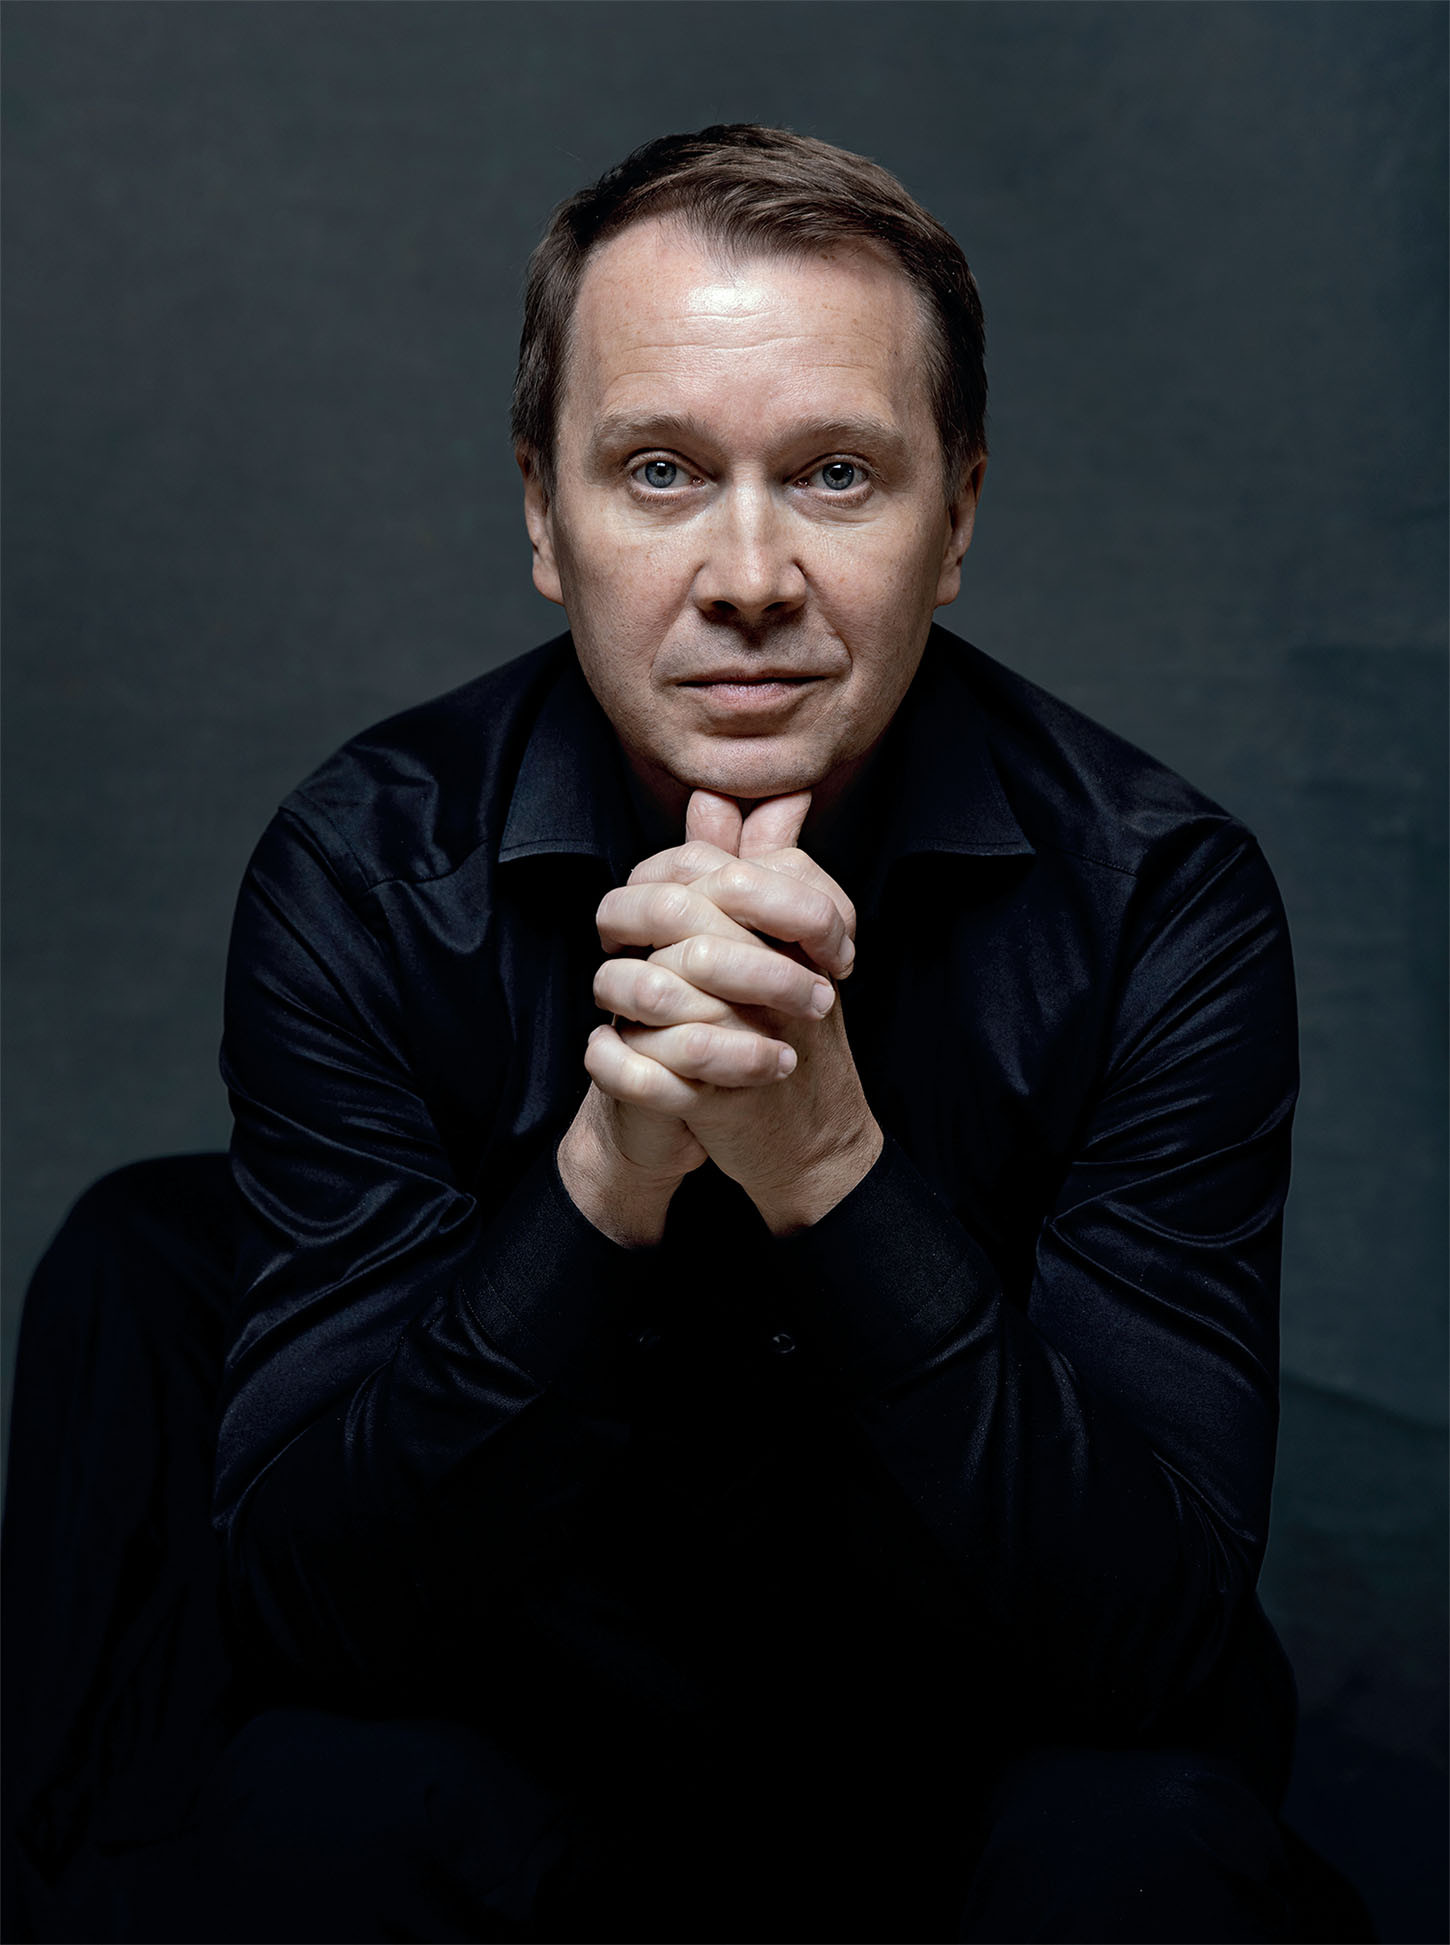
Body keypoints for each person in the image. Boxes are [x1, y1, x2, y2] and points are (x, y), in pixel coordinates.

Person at [6, 125, 1306, 1943]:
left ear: (956, 518)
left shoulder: (1157, 897)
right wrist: (605, 1179)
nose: (748, 573)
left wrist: (827, 1169)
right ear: (544, 517)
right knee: (309, 1810)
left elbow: (1158, 1635)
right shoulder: (367, 869)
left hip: (971, 1763)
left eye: (837, 473)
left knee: (1143, 1844)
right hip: (525, 1748)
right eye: (659, 471)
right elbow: (306, 1610)